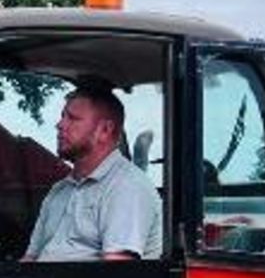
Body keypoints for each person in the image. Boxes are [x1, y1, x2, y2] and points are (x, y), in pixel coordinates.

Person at [23, 81, 163, 261]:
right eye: (62, 116)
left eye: (72, 118)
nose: (60, 124)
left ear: (104, 130)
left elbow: (116, 276)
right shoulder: (60, 190)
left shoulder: (126, 187)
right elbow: (30, 260)